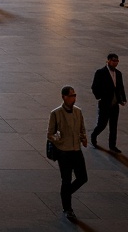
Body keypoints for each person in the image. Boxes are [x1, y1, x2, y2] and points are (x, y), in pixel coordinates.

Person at [47, 85, 88, 223]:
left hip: (76, 150)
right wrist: (59, 139)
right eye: (71, 96)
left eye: (75, 95)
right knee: (66, 179)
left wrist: (83, 138)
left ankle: (65, 194)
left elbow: (82, 128)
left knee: (83, 177)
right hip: (64, 152)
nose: (74, 98)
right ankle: (68, 208)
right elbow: (50, 134)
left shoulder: (78, 111)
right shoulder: (56, 113)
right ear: (64, 97)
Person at [89, 53, 127, 153]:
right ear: (108, 61)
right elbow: (94, 86)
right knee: (102, 124)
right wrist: (100, 97)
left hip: (115, 104)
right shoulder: (100, 72)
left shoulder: (118, 73)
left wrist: (122, 99)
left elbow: (120, 87)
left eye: (117, 61)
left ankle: (112, 145)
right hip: (105, 103)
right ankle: (94, 135)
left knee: (113, 126)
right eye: (113, 60)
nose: (115, 63)